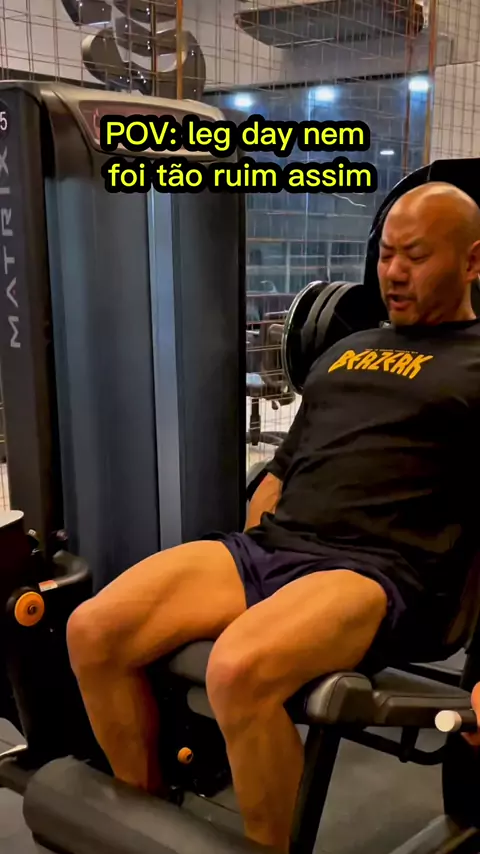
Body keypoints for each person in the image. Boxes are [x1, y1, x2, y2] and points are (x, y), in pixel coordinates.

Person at [67, 181, 480, 854]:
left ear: (472, 261)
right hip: (274, 548)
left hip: (376, 570)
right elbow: (283, 473)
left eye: (416, 256)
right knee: (93, 632)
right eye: (385, 255)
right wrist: (252, 548)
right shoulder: (345, 350)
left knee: (239, 671)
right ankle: (141, 821)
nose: (394, 272)